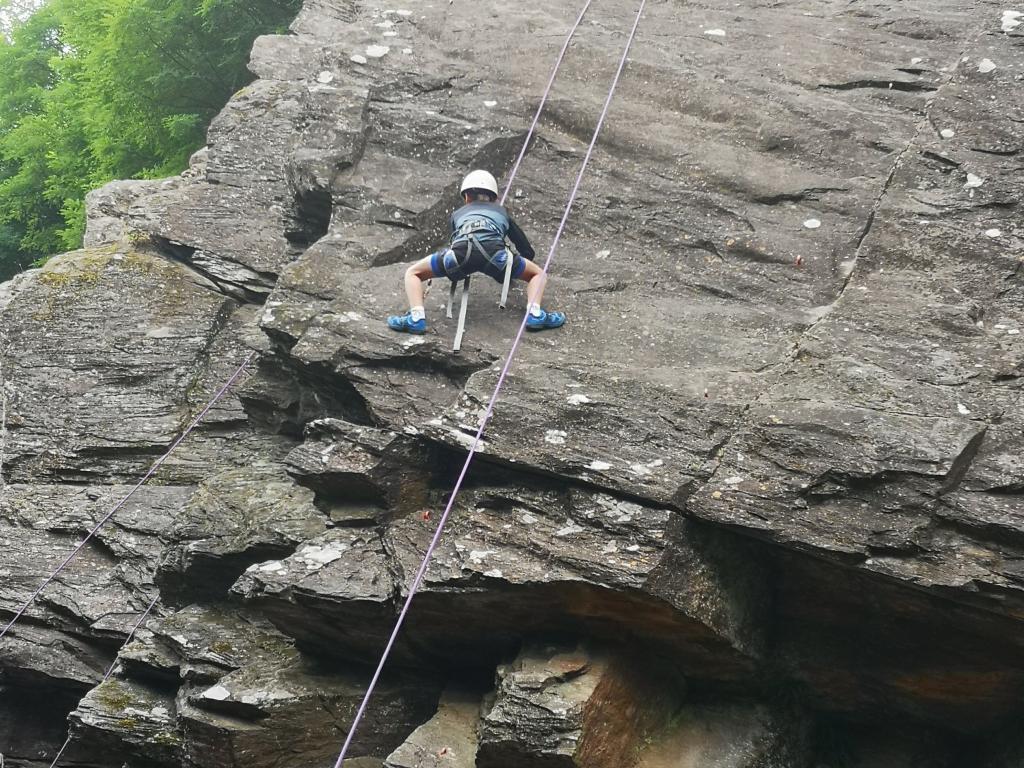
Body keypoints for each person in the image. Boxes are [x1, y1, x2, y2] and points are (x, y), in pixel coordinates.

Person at [386, 170, 566, 334]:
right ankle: (534, 313)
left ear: (466, 197)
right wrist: (514, 270)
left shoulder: (458, 214)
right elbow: (525, 248)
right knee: (538, 275)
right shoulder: (502, 212)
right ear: (494, 197)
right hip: (497, 257)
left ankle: (416, 317)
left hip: (460, 256)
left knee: (413, 273)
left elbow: (455, 242)